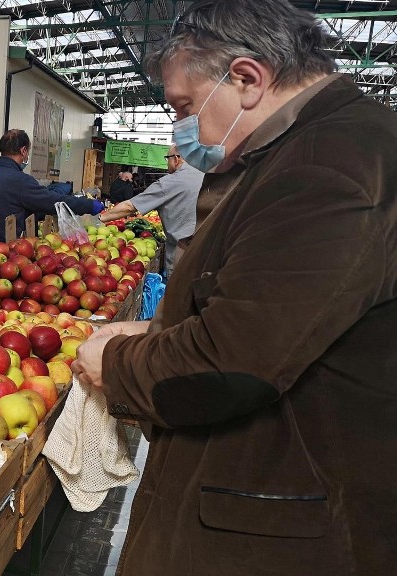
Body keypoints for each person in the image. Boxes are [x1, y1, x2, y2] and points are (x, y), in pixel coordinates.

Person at [71, 1, 397, 575]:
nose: (184, 127)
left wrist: (115, 362)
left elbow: (235, 360)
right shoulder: (314, 150)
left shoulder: (331, 164)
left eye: (186, 106)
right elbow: (284, 313)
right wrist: (157, 328)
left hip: (281, 522)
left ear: (245, 79)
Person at [0, 129, 103, 240]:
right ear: (23, 150)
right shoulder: (19, 181)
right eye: (27, 152)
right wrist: (88, 205)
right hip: (13, 248)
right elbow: (52, 201)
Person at [100, 145, 203, 277]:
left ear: (176, 159)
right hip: (206, 251)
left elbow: (129, 207)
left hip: (182, 253)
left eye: (167, 159)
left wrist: (101, 219)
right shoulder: (206, 177)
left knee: (179, 293)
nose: (167, 163)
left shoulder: (170, 182)